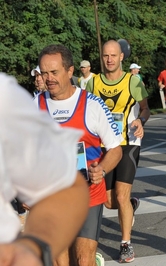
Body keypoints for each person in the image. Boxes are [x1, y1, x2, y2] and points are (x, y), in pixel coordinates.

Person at [35, 44, 123, 266]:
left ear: (70, 71)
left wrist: (101, 169)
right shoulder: (35, 105)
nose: (49, 78)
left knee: (83, 260)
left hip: (88, 193)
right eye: (44, 73)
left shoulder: (92, 105)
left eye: (54, 72)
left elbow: (115, 148)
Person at [0, 72, 89, 265]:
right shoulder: (32, 100)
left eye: (53, 72)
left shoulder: (3, 97)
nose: (46, 78)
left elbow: (68, 188)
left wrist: (33, 247)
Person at [86, 39, 150, 263]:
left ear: (121, 56)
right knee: (108, 201)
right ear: (102, 57)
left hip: (128, 143)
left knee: (121, 195)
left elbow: (145, 108)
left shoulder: (133, 81)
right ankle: (131, 206)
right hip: (103, 146)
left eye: (113, 55)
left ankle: (125, 244)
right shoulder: (93, 83)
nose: (109, 59)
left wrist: (141, 121)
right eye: (105, 56)